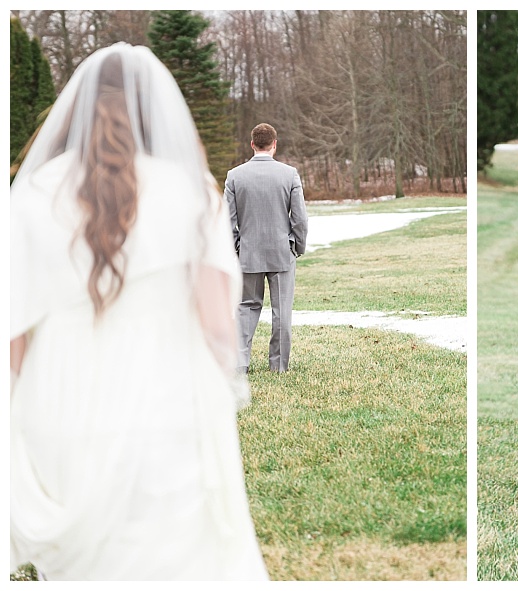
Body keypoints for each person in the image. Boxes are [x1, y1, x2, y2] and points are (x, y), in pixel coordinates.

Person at [9, 43, 268, 580]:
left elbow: (12, 332)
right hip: (164, 397)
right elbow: (220, 324)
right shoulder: (188, 191)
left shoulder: (32, 194)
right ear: (156, 110)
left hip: (60, 402)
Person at [224, 123, 308, 373]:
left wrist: (236, 248)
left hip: (248, 253)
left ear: (252, 144)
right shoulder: (289, 174)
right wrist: (297, 246)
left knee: (246, 307)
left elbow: (227, 221)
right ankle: (278, 365)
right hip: (282, 251)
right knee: (282, 310)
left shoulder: (234, 176)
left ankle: (240, 364)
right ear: (275, 144)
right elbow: (300, 219)